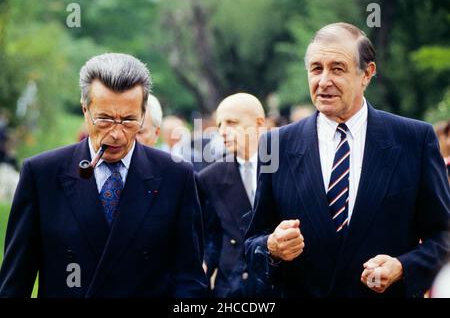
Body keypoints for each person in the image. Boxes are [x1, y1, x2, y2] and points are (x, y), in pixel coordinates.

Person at [245, 23, 450, 297]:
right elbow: (251, 243)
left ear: (367, 73)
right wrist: (271, 247)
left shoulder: (413, 140)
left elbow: (444, 237)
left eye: (337, 69)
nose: (324, 81)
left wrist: (402, 266)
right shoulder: (276, 144)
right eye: (316, 69)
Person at [0, 53, 207, 297]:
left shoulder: (176, 176)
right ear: (85, 110)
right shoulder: (42, 174)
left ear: (143, 115)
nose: (117, 133)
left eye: (129, 120)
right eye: (105, 119)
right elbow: (15, 284)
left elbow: (190, 282)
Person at [197, 93, 266, 297]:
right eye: (219, 125)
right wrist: (202, 266)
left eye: (231, 123)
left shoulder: (286, 167)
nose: (223, 131)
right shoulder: (210, 177)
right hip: (231, 290)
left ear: (259, 123)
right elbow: (211, 237)